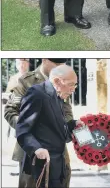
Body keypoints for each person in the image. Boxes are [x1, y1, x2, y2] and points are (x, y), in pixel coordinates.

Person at [4, 59, 72, 188]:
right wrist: (31, 128)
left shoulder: (63, 80)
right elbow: (10, 111)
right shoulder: (26, 81)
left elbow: (67, 113)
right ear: (45, 60)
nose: (60, 68)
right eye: (56, 64)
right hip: (32, 154)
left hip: (59, 153)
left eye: (62, 65)